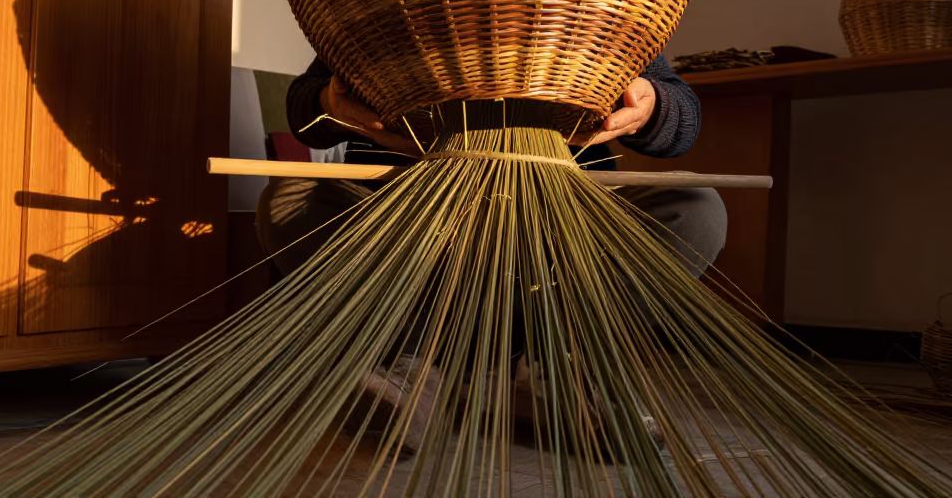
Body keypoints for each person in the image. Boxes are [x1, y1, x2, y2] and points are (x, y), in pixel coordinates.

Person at [254, 55, 727, 449]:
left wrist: (652, 105)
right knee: (291, 198)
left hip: (561, 230)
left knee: (695, 209)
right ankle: (410, 364)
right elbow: (305, 109)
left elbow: (682, 121)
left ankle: (566, 365)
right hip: (405, 226)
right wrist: (326, 103)